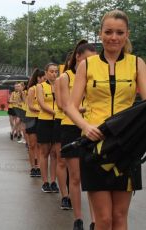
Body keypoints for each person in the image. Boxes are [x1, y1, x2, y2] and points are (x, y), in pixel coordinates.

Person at [64, 10, 146, 230]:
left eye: (119, 32)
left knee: (120, 217)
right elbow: (70, 105)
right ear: (100, 34)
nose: (114, 37)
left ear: (127, 34)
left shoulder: (137, 63)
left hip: (126, 148)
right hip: (94, 145)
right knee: (103, 219)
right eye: (108, 32)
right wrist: (85, 126)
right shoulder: (87, 65)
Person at [58, 40, 97, 230]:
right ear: (78, 57)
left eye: (95, 59)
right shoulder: (65, 77)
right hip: (71, 127)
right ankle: (78, 218)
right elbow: (66, 107)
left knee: (91, 175)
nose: (91, 63)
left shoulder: (96, 75)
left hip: (91, 127)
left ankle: (95, 221)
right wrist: (86, 108)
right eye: (87, 59)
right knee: (75, 177)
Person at [36, 63, 60, 193]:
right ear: (46, 73)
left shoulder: (61, 85)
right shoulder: (40, 86)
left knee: (55, 153)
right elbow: (41, 103)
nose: (54, 74)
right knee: (44, 152)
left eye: (56, 71)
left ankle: (53, 181)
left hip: (57, 122)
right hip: (45, 121)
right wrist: (56, 112)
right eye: (51, 71)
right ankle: (45, 181)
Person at [25, 68, 45, 177]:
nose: (45, 80)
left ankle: (39, 166)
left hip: (42, 118)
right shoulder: (32, 89)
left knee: (40, 145)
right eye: (44, 78)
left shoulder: (45, 88)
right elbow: (30, 105)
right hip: (32, 118)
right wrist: (43, 109)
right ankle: (33, 167)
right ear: (38, 78)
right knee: (32, 145)